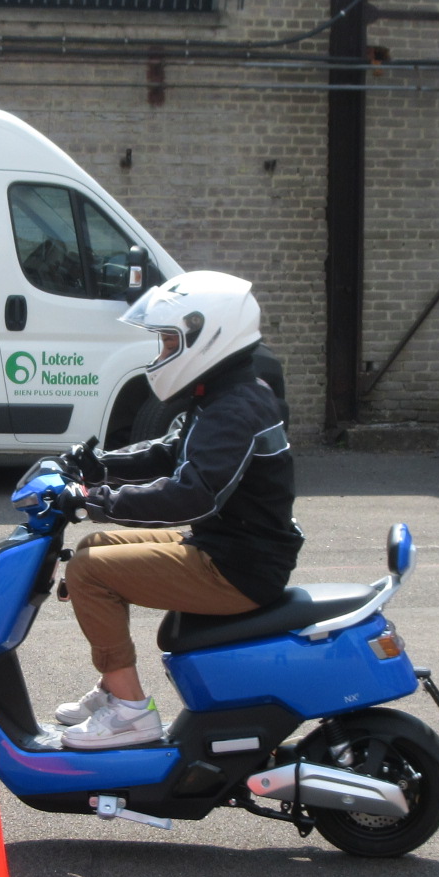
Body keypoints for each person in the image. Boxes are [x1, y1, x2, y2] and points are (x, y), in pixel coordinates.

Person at [52, 270, 302, 750]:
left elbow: (191, 494)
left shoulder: (237, 407)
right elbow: (171, 450)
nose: (162, 354)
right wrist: (97, 466)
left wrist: (93, 501)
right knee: (95, 546)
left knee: (88, 571)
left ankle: (130, 713)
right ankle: (113, 690)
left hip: (239, 568)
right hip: (225, 545)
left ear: (209, 336)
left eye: (169, 342)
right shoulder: (224, 393)